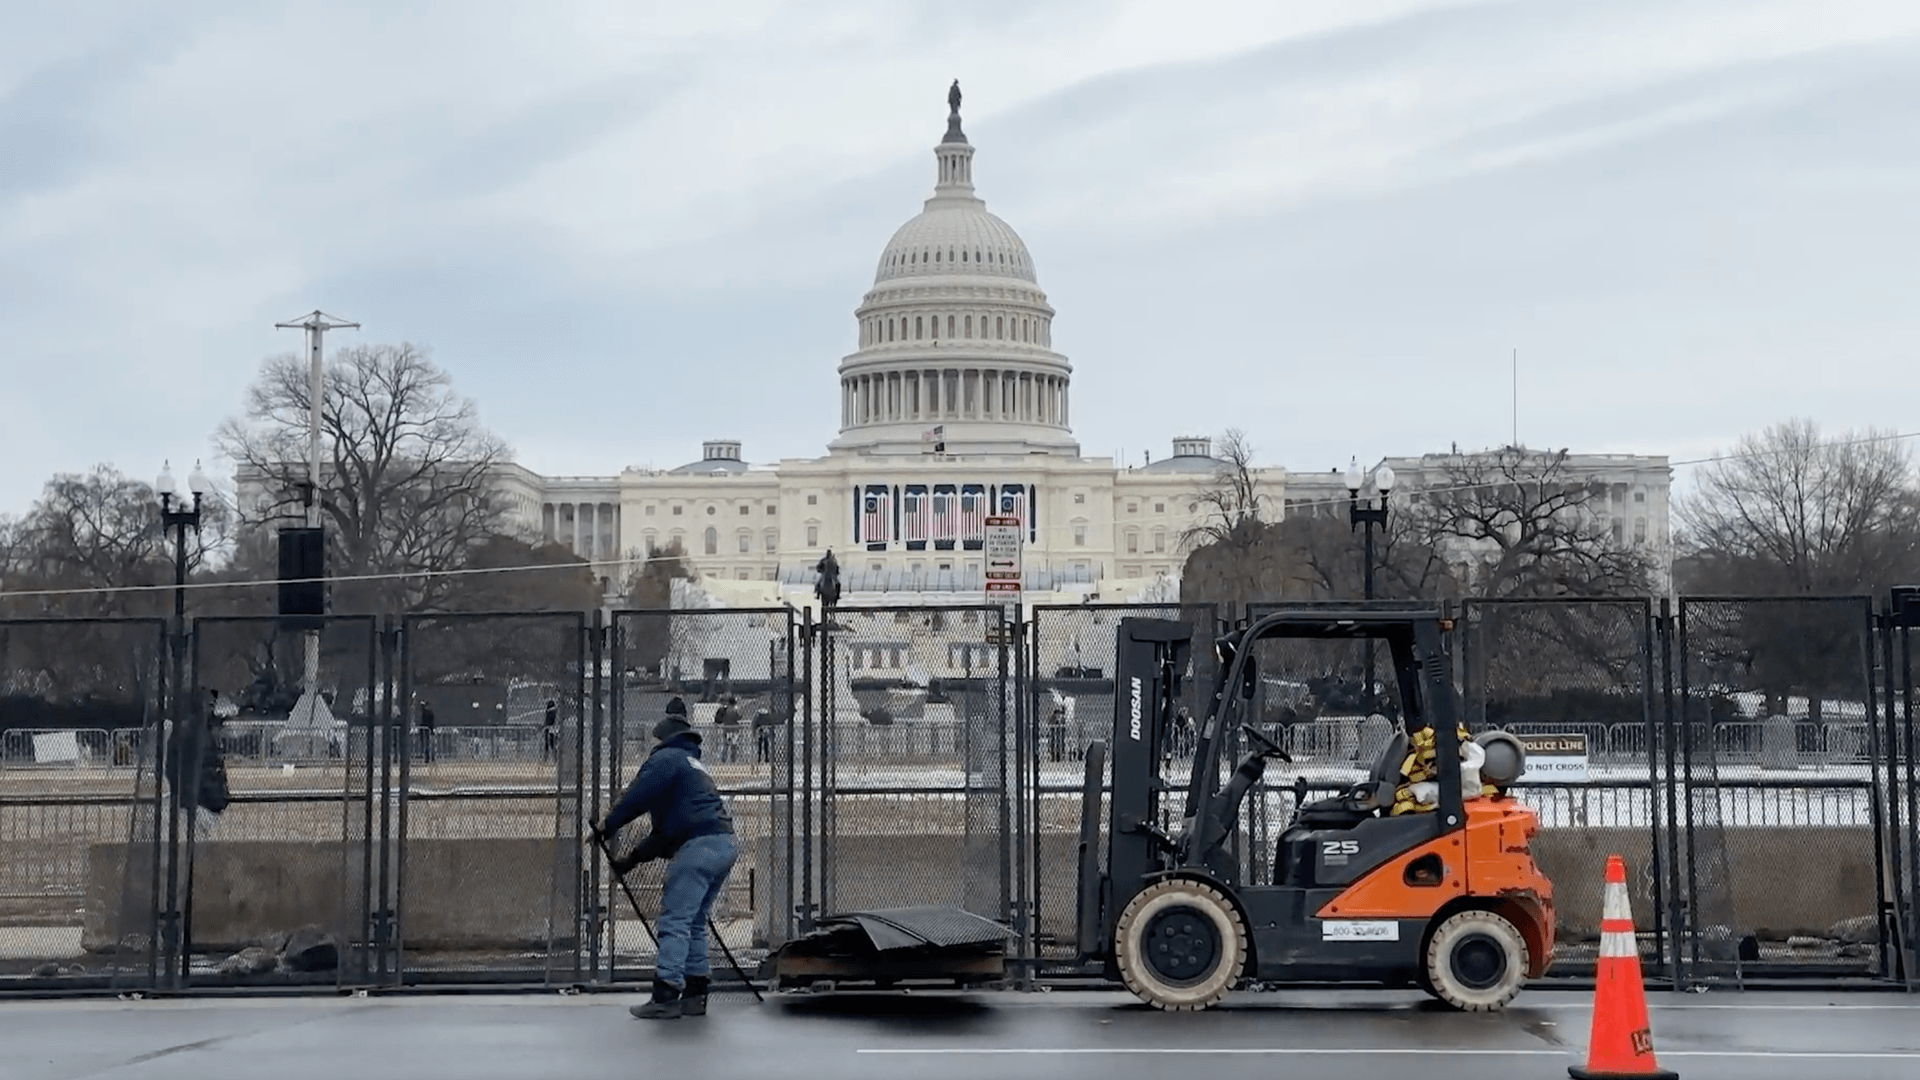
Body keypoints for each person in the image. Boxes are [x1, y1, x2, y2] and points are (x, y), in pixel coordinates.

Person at [596, 696, 737, 1020]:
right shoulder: (692, 764)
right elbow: (665, 834)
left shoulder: (666, 760)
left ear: (662, 738)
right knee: (695, 920)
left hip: (699, 846)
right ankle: (696, 991)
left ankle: (666, 994)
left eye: (654, 740)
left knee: (674, 921)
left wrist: (608, 825)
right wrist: (630, 861)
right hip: (724, 843)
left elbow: (637, 797)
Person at [166, 689, 230, 839]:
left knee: (200, 838)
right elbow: (173, 768)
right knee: (196, 838)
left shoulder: (203, 730)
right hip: (197, 798)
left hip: (202, 797)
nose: (211, 708)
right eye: (208, 704)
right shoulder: (192, 732)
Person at [714, 694, 742, 764]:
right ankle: (733, 760)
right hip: (734, 730)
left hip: (726, 729)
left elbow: (722, 719)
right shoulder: (734, 710)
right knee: (733, 745)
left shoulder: (725, 709)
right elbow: (739, 717)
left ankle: (723, 760)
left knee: (725, 745)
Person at [418, 699, 436, 764]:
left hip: (427, 730)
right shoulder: (426, 713)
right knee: (428, 745)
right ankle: (429, 757)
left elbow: (427, 722)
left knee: (427, 745)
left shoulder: (427, 713)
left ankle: (429, 757)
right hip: (427, 730)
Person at [543, 698, 559, 763]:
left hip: (551, 728)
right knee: (551, 744)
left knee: (550, 743)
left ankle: (549, 758)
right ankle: (549, 758)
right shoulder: (552, 711)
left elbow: (548, 721)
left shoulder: (551, 711)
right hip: (551, 728)